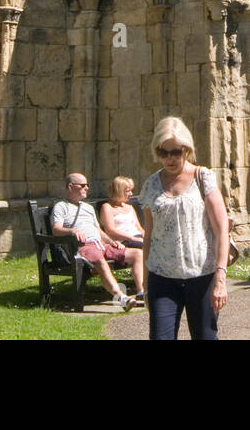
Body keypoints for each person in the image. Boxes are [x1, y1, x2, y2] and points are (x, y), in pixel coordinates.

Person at [139, 117, 229, 340]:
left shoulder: (202, 177)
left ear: (187, 150)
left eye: (176, 152)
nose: (169, 158)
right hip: (162, 276)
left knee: (205, 336)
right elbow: (148, 236)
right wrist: (145, 281)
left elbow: (221, 230)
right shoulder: (151, 184)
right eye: (163, 152)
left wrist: (220, 279)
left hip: (202, 274)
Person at [50, 172, 145, 308]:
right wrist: (72, 231)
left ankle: (141, 291)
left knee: (137, 254)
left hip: (101, 244)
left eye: (87, 185)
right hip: (84, 246)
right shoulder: (61, 206)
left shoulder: (87, 208)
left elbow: (99, 231)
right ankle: (121, 297)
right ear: (71, 187)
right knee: (100, 261)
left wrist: (111, 241)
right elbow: (56, 229)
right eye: (83, 185)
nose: (87, 188)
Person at [100, 176, 146, 249]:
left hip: (138, 238)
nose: (131, 194)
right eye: (128, 191)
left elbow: (139, 228)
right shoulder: (107, 207)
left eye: (131, 190)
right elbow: (110, 230)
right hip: (124, 240)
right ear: (119, 191)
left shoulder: (130, 207)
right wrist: (133, 238)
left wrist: (148, 238)